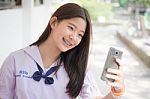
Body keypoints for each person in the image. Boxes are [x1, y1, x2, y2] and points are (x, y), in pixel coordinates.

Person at [0, 3, 125, 99]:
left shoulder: (78, 67)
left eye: (80, 35)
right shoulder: (15, 60)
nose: (73, 37)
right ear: (54, 22)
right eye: (71, 28)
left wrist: (116, 91)